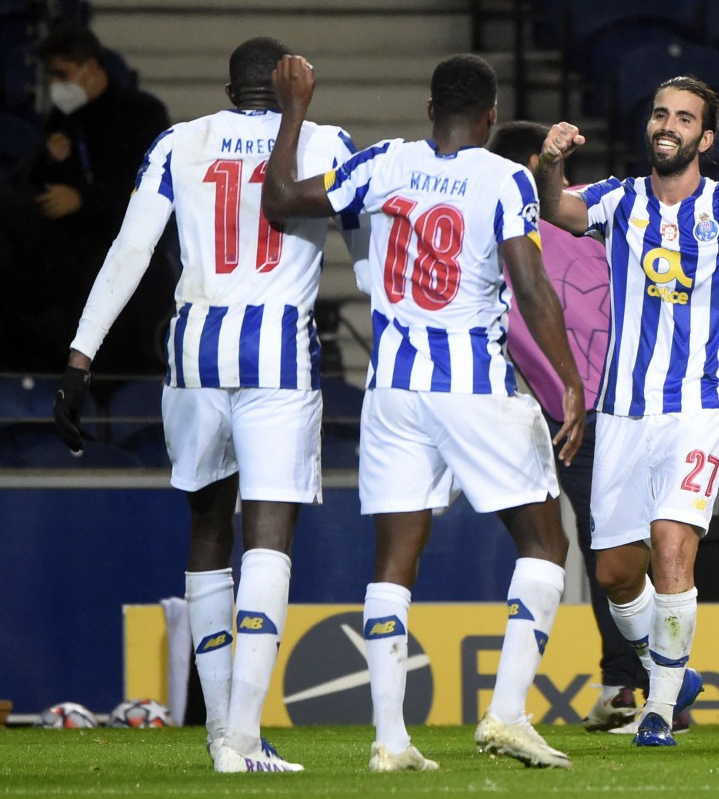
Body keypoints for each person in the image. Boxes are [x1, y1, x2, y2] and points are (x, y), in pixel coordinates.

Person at [52, 36, 369, 773]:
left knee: (207, 529)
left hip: (193, 348)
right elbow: (367, 250)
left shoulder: (178, 141)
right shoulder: (324, 139)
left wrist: (80, 357)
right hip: (277, 354)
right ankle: (242, 735)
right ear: (292, 80)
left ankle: (222, 730)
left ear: (231, 88)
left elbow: (128, 251)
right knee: (268, 531)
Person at [262, 53, 586, 772]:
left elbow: (280, 196)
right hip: (473, 384)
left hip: (394, 389)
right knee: (544, 542)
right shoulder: (506, 177)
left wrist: (295, 110)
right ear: (492, 114)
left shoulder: (386, 163)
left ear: (429, 107)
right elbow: (530, 283)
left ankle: (389, 738)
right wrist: (568, 379)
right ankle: (505, 715)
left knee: (395, 556)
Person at [535, 75, 719, 746]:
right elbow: (555, 208)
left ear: (706, 137)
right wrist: (551, 161)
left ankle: (659, 709)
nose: (667, 125)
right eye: (660, 113)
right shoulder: (618, 198)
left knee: (674, 547)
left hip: (697, 407)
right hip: (621, 412)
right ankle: (672, 671)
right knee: (614, 569)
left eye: (683, 118)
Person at [487, 120, 648, 733]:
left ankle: (648, 687)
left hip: (616, 410)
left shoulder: (592, 213)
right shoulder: (577, 218)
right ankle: (624, 685)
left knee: (620, 550)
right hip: (581, 415)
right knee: (609, 551)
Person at [2, 25, 175, 374]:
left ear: (91, 67)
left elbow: (152, 189)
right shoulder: (62, 119)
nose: (56, 85)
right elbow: (25, 182)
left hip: (126, 259)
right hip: (71, 263)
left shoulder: (141, 114)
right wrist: (47, 159)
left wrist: (83, 199)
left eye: (61, 74)